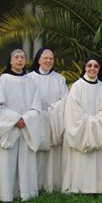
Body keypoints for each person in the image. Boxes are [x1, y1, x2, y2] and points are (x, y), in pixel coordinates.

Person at [0, 49, 42, 201]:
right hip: (8, 128)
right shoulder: (3, 80)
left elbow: (37, 107)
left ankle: (25, 193)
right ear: (10, 61)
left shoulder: (31, 81)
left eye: (22, 57)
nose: (19, 60)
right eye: (16, 57)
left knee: (25, 163)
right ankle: (5, 194)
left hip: (25, 127)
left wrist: (26, 119)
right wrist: (15, 120)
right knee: (6, 163)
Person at [62, 56, 102, 194]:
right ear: (85, 67)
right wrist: (90, 122)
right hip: (81, 131)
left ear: (99, 69)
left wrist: (97, 121)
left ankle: (98, 188)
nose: (92, 69)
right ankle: (79, 187)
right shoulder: (77, 86)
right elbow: (73, 111)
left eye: (96, 66)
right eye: (89, 65)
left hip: (97, 129)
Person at [28, 48, 68, 192]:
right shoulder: (29, 78)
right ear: (38, 60)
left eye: (51, 58)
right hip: (37, 121)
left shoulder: (60, 79)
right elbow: (28, 99)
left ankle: (52, 185)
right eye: (45, 58)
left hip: (54, 121)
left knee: (53, 155)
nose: (48, 61)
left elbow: (65, 100)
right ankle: (35, 185)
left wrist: (53, 110)